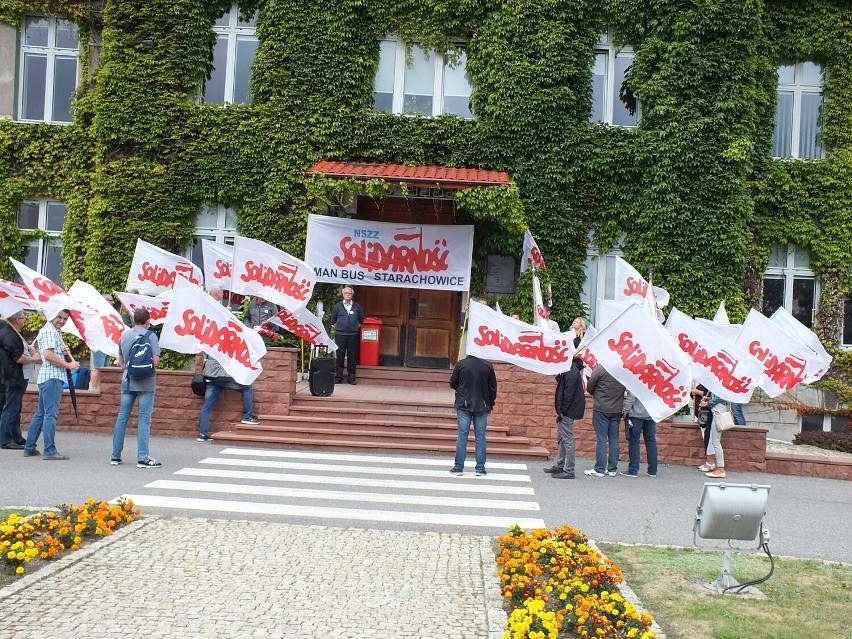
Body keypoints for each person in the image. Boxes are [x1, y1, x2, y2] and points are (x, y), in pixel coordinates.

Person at [195, 286, 260, 442]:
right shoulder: (221, 334)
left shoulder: (208, 332)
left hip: (210, 375)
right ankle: (247, 416)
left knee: (207, 405)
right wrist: (228, 315)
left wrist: (227, 313)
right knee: (247, 386)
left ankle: (202, 434)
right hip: (222, 374)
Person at [23, 309, 79, 460]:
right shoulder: (49, 331)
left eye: (65, 319)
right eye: (59, 317)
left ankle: (29, 447)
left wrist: (64, 353)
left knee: (41, 413)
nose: (62, 320)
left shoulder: (53, 330)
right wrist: (68, 365)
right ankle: (49, 450)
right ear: (52, 314)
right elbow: (48, 355)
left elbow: (50, 353)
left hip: (47, 378)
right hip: (52, 378)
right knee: (49, 415)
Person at [111, 308, 161, 468]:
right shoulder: (151, 336)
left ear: (133, 320)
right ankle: (143, 457)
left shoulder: (125, 336)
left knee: (122, 418)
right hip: (146, 383)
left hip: (128, 381)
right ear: (148, 320)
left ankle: (115, 456)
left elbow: (120, 361)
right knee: (144, 419)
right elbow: (155, 361)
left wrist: (129, 369)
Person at [449, 354, 497, 477]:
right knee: (480, 437)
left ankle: (458, 467)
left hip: (464, 404)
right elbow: (492, 388)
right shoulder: (487, 366)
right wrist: (490, 404)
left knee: (462, 436)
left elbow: (453, 383)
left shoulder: (461, 364)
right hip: (482, 404)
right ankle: (480, 468)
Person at [0, 312, 40, 449]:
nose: (25, 319)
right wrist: (34, 358)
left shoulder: (14, 332)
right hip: (14, 376)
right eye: (24, 317)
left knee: (15, 408)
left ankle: (16, 437)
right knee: (11, 408)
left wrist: (30, 350)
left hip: (19, 376)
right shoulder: (9, 335)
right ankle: (5, 439)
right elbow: (18, 358)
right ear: (17, 319)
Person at [545, 356, 585, 479]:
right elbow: (564, 384)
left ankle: (569, 470)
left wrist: (562, 411)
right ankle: (560, 465)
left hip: (568, 411)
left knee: (567, 440)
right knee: (562, 438)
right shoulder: (570, 371)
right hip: (568, 410)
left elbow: (568, 393)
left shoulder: (571, 372)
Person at [584, 364, 625, 477]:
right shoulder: (621, 370)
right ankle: (612, 469)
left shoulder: (601, 368)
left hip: (601, 408)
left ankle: (600, 469)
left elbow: (590, 385)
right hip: (617, 409)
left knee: (601, 439)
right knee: (614, 439)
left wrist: (594, 393)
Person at [331, 286, 364, 385]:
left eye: (350, 293)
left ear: (352, 295)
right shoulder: (337, 306)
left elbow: (360, 320)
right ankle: (338, 377)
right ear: (343, 294)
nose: (348, 295)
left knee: (352, 357)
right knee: (340, 357)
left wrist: (353, 328)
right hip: (340, 335)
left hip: (353, 335)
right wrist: (341, 327)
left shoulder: (357, 306)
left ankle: (352, 378)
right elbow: (333, 320)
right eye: (346, 293)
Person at [620, 391, 658, 478]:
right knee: (651, 441)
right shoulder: (656, 378)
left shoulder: (637, 378)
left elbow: (632, 395)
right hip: (651, 413)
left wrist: (625, 410)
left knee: (634, 441)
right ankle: (652, 470)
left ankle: (633, 470)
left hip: (636, 414)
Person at [701, 392, 727, 478]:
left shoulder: (722, 383)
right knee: (714, 440)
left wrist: (708, 403)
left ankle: (721, 469)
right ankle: (717, 467)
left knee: (715, 441)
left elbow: (722, 396)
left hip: (718, 410)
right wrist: (709, 400)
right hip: (718, 410)